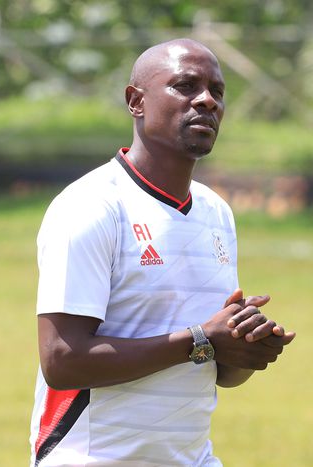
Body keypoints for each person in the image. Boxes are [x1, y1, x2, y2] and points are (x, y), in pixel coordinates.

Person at [29, 38, 296, 467]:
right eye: (185, 86)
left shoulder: (215, 212)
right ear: (136, 101)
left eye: (217, 91)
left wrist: (244, 346)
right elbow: (63, 361)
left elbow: (217, 369)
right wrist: (201, 339)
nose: (207, 101)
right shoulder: (92, 205)